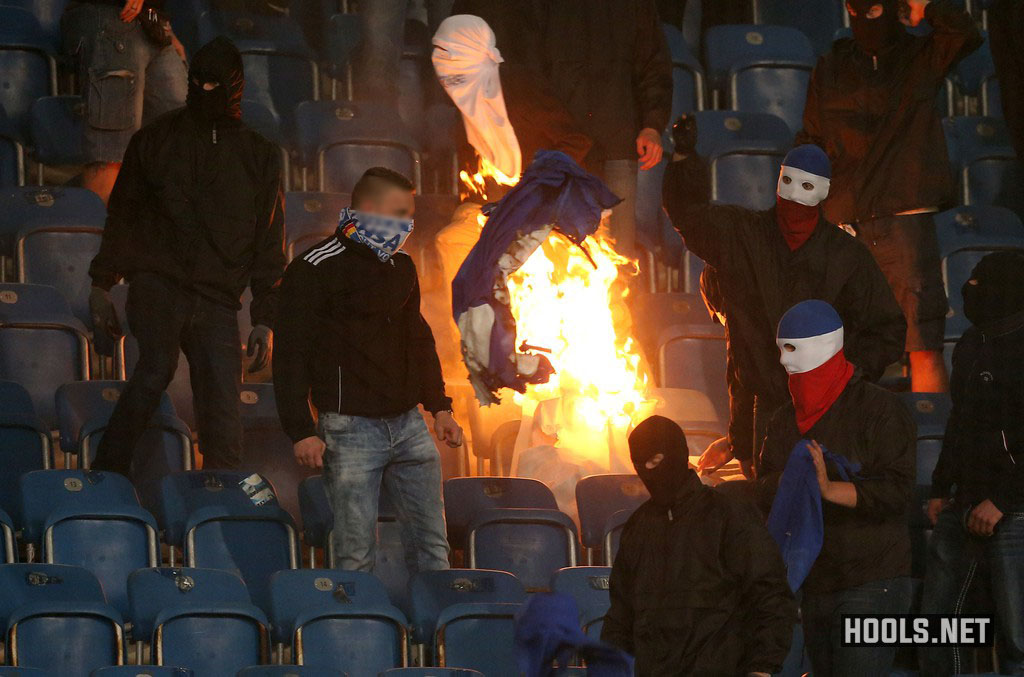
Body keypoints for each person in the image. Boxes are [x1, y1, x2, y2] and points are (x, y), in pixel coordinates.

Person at [87, 37, 284, 475]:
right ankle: (105, 474)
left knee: (223, 410)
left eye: (213, 83)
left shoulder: (260, 156)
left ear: (235, 86)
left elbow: (270, 241)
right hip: (158, 282)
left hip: (217, 298)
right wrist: (102, 282)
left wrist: (266, 317)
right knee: (155, 369)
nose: (203, 89)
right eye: (197, 81)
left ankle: (221, 508)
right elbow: (122, 216)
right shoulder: (154, 140)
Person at [663, 142, 906, 477]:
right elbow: (688, 217)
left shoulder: (846, 257)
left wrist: (841, 376)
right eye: (789, 183)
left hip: (828, 416)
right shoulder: (742, 236)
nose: (794, 198)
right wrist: (683, 158)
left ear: (822, 192)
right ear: (779, 182)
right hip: (764, 415)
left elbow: (887, 330)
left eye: (806, 186)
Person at [273, 167, 463, 574]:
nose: (407, 225)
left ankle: (435, 633)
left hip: (410, 425)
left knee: (434, 549)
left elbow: (418, 339)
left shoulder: (402, 266)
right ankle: (353, 635)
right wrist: (301, 429)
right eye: (400, 213)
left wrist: (439, 407)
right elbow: (290, 354)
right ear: (371, 209)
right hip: (349, 429)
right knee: (355, 554)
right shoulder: (314, 267)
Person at [798, 0, 983, 392]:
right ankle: (850, 448)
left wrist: (928, 6)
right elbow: (811, 140)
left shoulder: (920, 55)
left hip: (902, 219)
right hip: (843, 222)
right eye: (855, 7)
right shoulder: (831, 64)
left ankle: (930, 446)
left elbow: (966, 34)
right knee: (842, 351)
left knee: (922, 345)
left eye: (877, 7)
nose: (866, 16)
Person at [757, 300, 916, 677]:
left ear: (825, 345)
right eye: (781, 349)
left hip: (872, 580)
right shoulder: (783, 420)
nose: (784, 361)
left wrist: (829, 489)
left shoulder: (880, 410)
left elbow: (898, 491)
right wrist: (791, 483)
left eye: (792, 348)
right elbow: (765, 487)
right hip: (815, 583)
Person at [602, 415, 797, 676]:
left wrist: (762, 668)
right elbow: (621, 613)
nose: (648, 469)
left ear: (677, 455)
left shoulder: (728, 515)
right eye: (640, 463)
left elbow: (770, 594)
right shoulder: (639, 528)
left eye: (656, 460)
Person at [920, 251, 1024, 676]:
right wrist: (942, 488)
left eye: (983, 286)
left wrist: (1002, 500)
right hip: (963, 502)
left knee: (1018, 639)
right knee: (939, 628)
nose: (970, 293)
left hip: (1015, 509)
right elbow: (959, 421)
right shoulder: (969, 345)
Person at [541, 0, 673, 257]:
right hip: (556, 147)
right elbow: (530, 65)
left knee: (617, 257)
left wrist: (652, 125)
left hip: (615, 144)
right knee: (554, 258)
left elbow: (653, 62)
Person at [61, 0, 188, 203]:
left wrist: (164, 26)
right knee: (111, 155)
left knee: (184, 145)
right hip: (111, 13)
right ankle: (93, 228)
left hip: (151, 20)